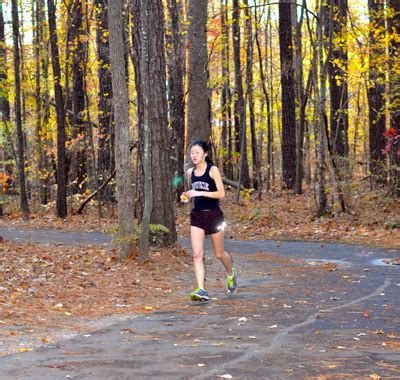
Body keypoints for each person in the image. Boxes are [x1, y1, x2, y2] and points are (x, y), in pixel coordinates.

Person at [181, 140, 237, 302]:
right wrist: (186, 196)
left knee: (219, 253)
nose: (194, 155)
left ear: (205, 154)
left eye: (197, 152)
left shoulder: (213, 170)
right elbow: (192, 193)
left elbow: (221, 194)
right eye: (192, 153)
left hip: (214, 215)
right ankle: (201, 289)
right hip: (197, 215)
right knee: (197, 254)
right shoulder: (190, 172)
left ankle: (230, 274)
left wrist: (199, 193)